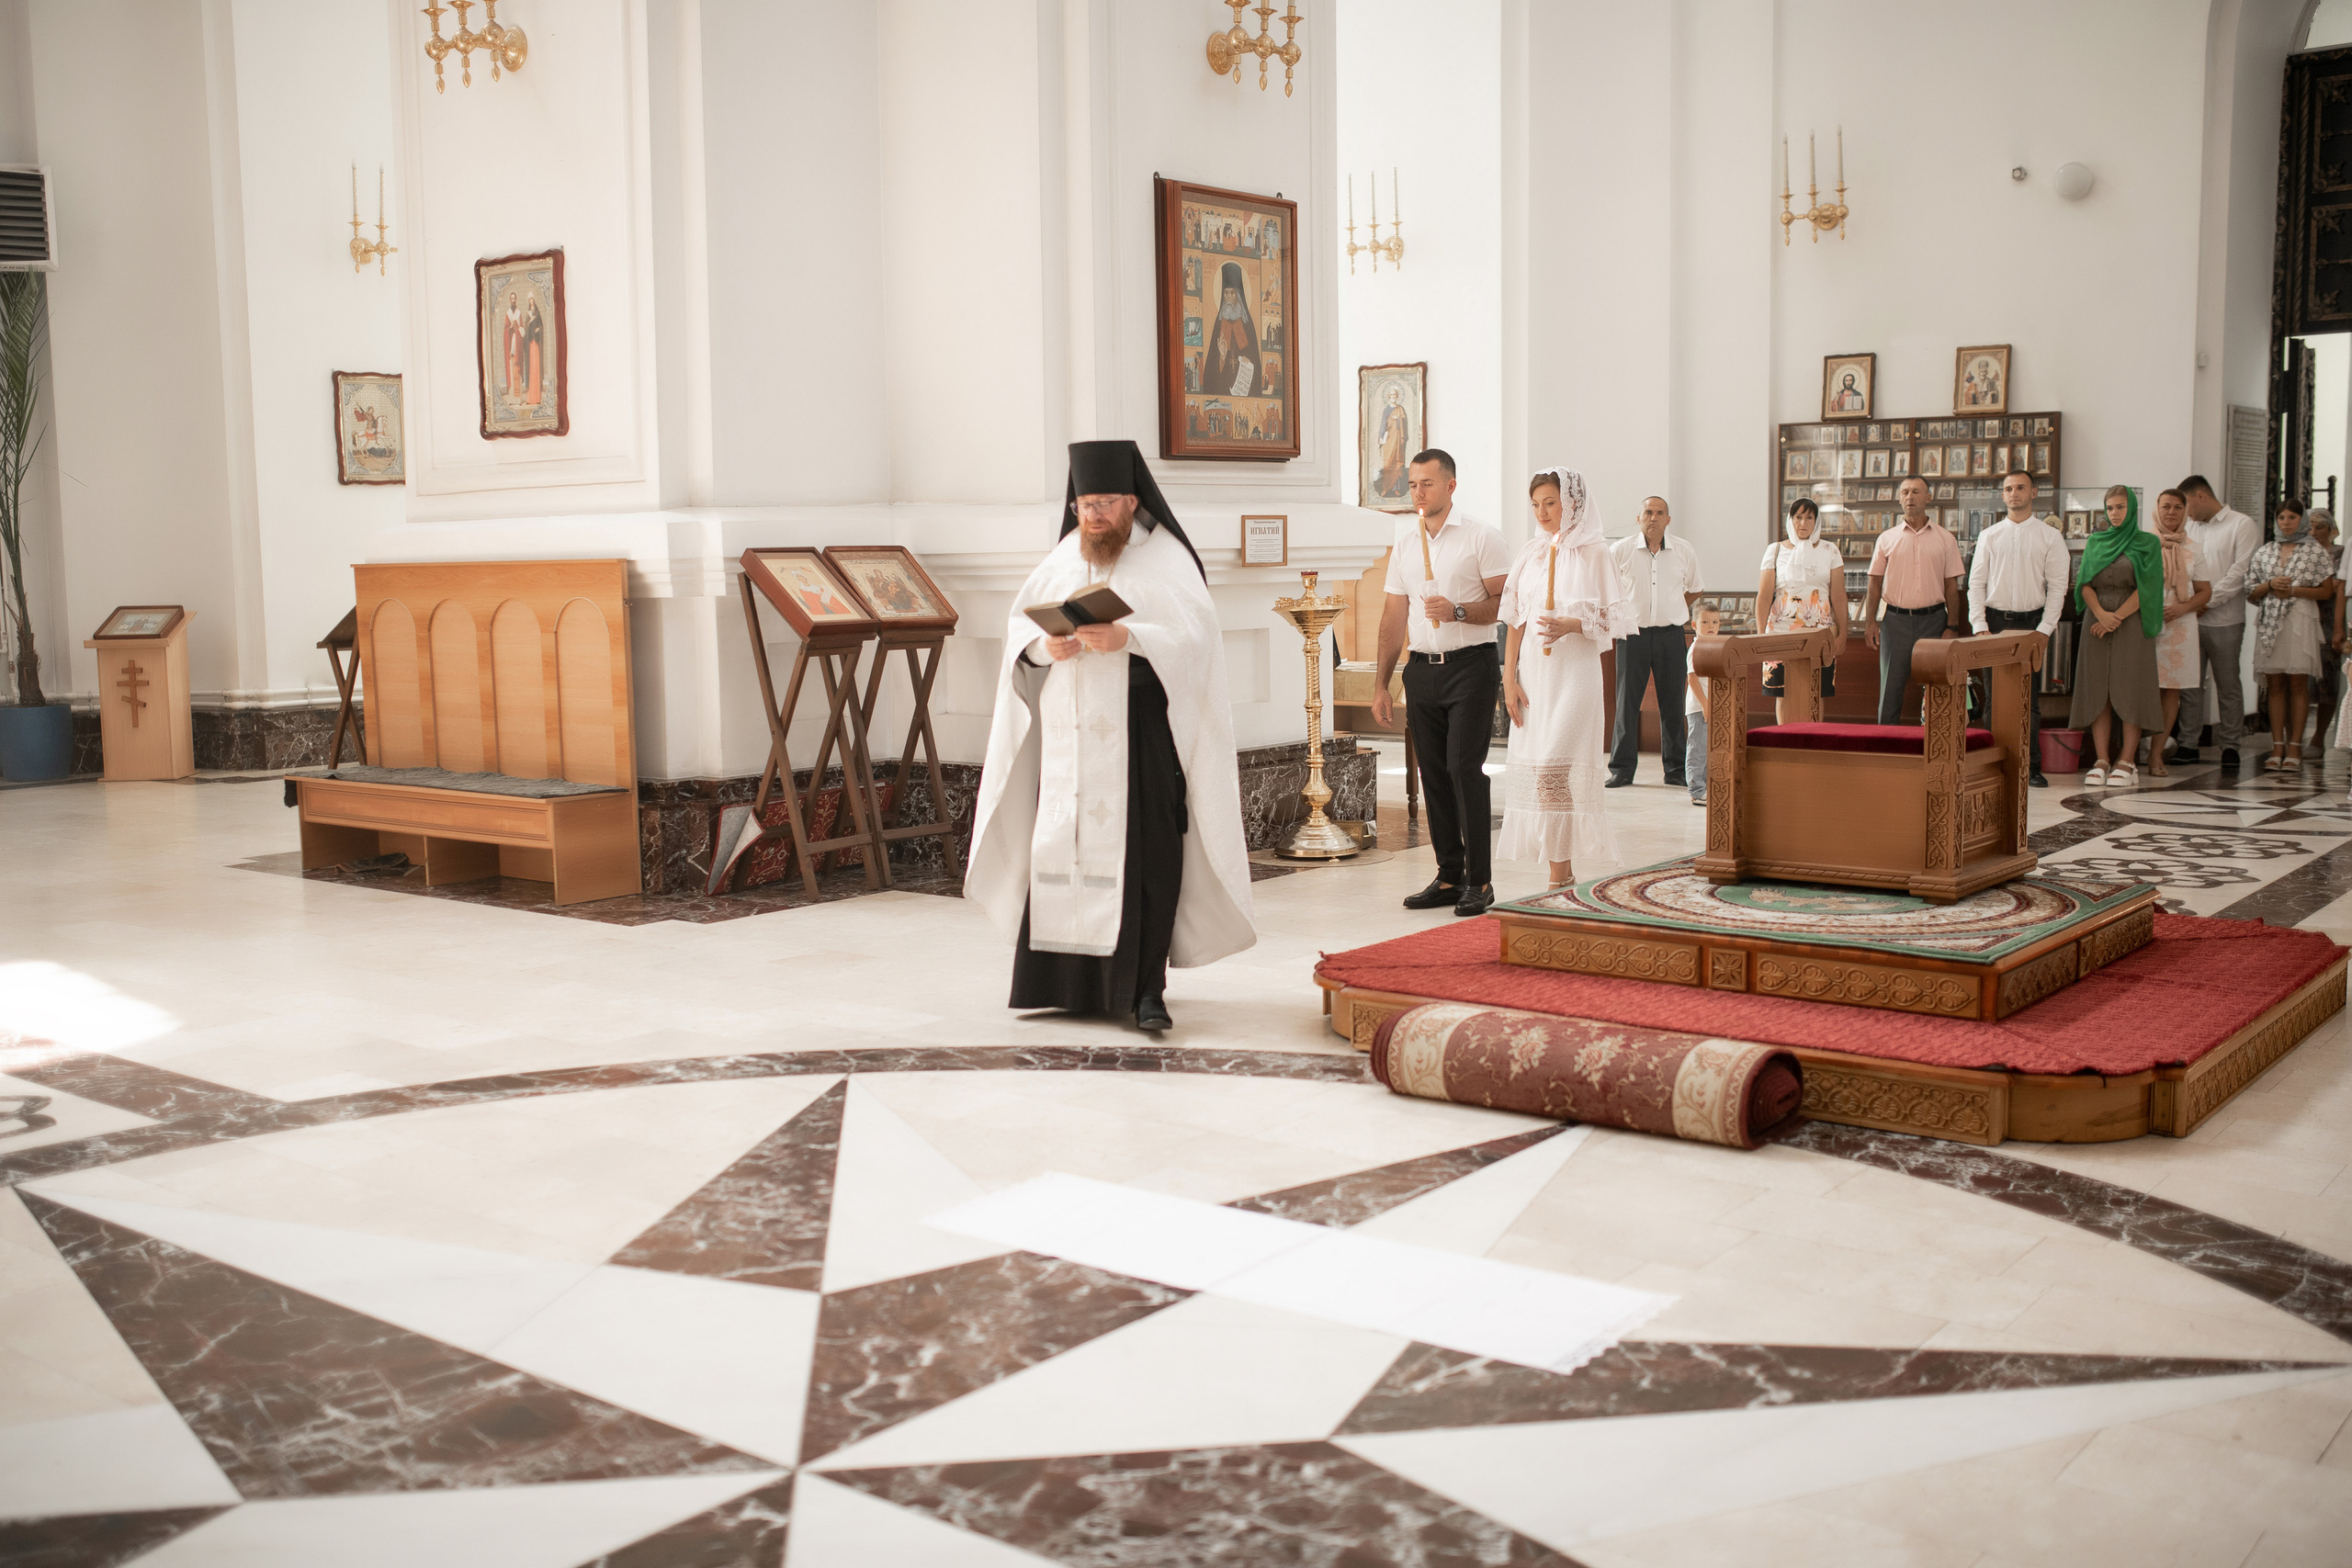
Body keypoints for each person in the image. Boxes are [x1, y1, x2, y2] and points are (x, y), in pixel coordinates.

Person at [965, 439, 1255, 1033]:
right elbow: (1020, 632)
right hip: (1069, 739)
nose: (1091, 516)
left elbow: (1196, 642)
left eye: (1103, 504)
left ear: (1131, 501)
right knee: (1060, 848)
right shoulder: (1063, 558)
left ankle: (1148, 988)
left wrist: (1130, 639)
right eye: (1083, 504)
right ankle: (1067, 983)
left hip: (1141, 733)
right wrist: (1045, 647)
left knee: (1148, 858)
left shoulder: (1167, 558)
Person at [1372, 449, 1512, 917]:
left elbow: (1504, 606)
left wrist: (1456, 610)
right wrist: (1381, 684)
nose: (1418, 492)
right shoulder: (1406, 543)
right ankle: (1450, 874)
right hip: (1421, 669)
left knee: (1461, 769)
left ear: (1450, 486)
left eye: (1427, 484)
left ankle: (1482, 881)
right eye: (1412, 484)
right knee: (1432, 773)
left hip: (1470, 666)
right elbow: (1393, 617)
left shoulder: (1481, 537)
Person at [1498, 468, 1633, 891]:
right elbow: (1516, 619)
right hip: (1535, 678)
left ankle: (1559, 876)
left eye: (1550, 503)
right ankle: (1562, 870)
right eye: (1535, 504)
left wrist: (1572, 623)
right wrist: (1508, 677)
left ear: (1571, 503)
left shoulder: (1595, 554)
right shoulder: (1530, 554)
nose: (1542, 512)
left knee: (1553, 773)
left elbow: (1618, 618)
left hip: (1575, 678)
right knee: (1541, 773)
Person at [1966, 470, 2069, 786]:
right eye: (2008, 489)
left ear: (2033, 492)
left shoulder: (2049, 536)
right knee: (1995, 699)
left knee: (2029, 699)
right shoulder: (1990, 535)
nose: (2014, 493)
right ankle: (1995, 764)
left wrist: (2044, 629)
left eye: (2020, 488)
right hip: (1994, 624)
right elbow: (1976, 582)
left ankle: (2030, 766)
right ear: (2003, 495)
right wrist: (1979, 625)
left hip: (2031, 625)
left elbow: (2058, 586)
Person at [2069, 486, 2165, 787]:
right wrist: (2100, 614)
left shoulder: (2147, 543)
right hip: (2095, 622)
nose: (2114, 513)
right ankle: (2101, 759)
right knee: (2098, 689)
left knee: (2129, 688)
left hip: (2132, 621)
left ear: (2132, 508)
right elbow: (2084, 583)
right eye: (2110, 508)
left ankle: (2127, 760)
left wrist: (2116, 618)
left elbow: (2149, 588)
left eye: (2121, 507)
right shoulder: (2096, 542)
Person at [1606, 495, 1703, 786]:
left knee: (1673, 703)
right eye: (1648, 512)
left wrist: (1672, 607)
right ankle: (1621, 769)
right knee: (1627, 703)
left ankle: (1675, 770)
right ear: (1639, 518)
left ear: (1668, 519)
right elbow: (1607, 588)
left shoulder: (1684, 551)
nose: (1653, 518)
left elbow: (1695, 589)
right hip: (1632, 634)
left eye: (1660, 513)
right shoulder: (1620, 550)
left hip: (1671, 635)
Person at [2174, 474, 2261, 766]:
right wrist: (2190, 603)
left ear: (2200, 496)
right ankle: (2188, 743)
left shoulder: (2241, 524)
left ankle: (2230, 746)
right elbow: (2183, 568)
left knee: (2227, 683)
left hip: (2226, 619)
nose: (2185, 513)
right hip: (2191, 618)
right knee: (2190, 685)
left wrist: (2206, 601)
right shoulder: (2190, 529)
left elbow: (2240, 571)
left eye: (2186, 504)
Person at [1862, 476, 1965, 725]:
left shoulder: (1945, 539)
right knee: (1890, 690)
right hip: (1894, 623)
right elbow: (1874, 582)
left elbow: (1952, 587)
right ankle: (1887, 752)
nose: (1910, 497)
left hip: (1934, 622)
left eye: (1916, 492)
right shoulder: (1887, 539)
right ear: (1899, 498)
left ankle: (1935, 750)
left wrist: (1952, 627)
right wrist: (1870, 623)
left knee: (1937, 689)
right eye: (1905, 492)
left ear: (1928, 497)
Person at [2246, 500, 2335, 772]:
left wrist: (2294, 591)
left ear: (2302, 520)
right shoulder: (2265, 551)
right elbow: (2250, 591)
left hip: (2300, 618)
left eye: (2292, 517)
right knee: (2274, 685)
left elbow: (2326, 591)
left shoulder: (2316, 551)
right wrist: (2270, 584)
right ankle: (2276, 746)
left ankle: (2295, 747)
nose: (2286, 522)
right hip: (2271, 620)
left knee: (2298, 684)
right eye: (2282, 517)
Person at [1756, 497, 1848, 723]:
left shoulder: (1830, 550)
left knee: (1816, 691)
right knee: (1782, 692)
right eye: (1798, 517)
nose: (1803, 523)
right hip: (1780, 631)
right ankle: (1784, 744)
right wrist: (1760, 635)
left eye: (1809, 517)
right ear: (1791, 520)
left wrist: (1844, 633)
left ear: (1816, 521)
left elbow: (1838, 595)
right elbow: (1765, 595)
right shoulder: (1775, 550)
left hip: (1820, 633)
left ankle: (1812, 745)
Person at [2149, 488, 2211, 778]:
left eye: (2177, 507)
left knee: (2171, 689)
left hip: (2180, 624)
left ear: (2185, 511)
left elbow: (2205, 592)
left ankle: (2156, 754)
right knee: (2142, 687)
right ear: (2157, 508)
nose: (2171, 512)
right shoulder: (2143, 544)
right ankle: (2129, 752)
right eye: (2166, 506)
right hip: (2146, 623)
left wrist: (2183, 608)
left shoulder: (2195, 548)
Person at [1684, 605, 1722, 807]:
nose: (1710, 626)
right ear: (1694, 625)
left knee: (1709, 748)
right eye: (1705, 622)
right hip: (1699, 707)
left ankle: (1707, 786)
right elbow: (1692, 678)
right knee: (1698, 748)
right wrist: (1706, 704)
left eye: (1715, 622)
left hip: (1712, 706)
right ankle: (1697, 791)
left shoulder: (1715, 646)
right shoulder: (1696, 647)